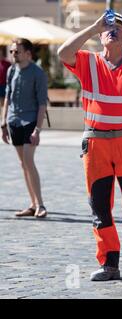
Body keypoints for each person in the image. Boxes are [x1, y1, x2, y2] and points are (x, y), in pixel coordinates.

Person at [57, 12, 122, 285]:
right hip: (95, 144)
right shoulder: (87, 62)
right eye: (108, 28)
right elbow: (63, 52)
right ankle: (109, 264)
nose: (113, 31)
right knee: (99, 206)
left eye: (120, 29)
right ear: (100, 36)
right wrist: (92, 27)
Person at [1, 38, 48, 218]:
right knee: (23, 165)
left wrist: (38, 129)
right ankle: (33, 204)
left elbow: (42, 104)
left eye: (16, 51)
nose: (13, 54)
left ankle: (41, 205)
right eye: (12, 51)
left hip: (30, 122)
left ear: (28, 53)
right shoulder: (11, 70)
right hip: (13, 121)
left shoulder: (38, 73)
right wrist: (3, 123)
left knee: (29, 161)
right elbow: (8, 98)